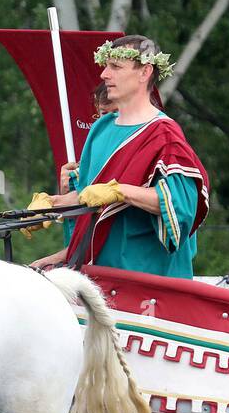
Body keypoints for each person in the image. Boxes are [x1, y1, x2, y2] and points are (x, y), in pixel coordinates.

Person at [29, 36, 210, 279]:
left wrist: (120, 192)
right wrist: (51, 205)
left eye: (115, 67)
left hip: (145, 278)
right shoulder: (101, 127)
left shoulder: (164, 133)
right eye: (106, 66)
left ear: (145, 72)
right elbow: (88, 193)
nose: (104, 74)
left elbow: (180, 205)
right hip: (97, 274)